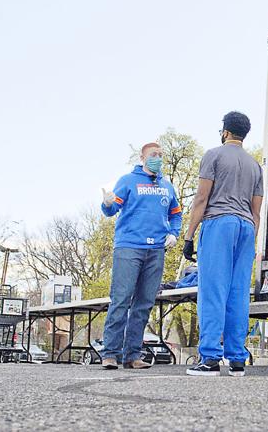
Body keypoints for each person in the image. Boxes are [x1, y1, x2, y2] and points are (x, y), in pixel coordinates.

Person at [183, 111, 263, 377]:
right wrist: (251, 243)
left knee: (213, 291)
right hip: (246, 228)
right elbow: (257, 212)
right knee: (238, 293)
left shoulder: (214, 155)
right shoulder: (255, 166)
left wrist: (189, 236)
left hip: (220, 223)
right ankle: (237, 358)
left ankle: (210, 358)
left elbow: (201, 199)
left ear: (225, 132)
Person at [100, 142, 182, 370]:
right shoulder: (128, 181)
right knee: (121, 299)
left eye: (160, 155)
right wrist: (106, 203)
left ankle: (132, 355)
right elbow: (111, 209)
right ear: (142, 157)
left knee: (144, 304)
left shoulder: (167, 186)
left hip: (156, 250)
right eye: (153, 155)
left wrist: (174, 234)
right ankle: (110, 354)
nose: (157, 158)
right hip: (129, 247)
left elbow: (176, 214)